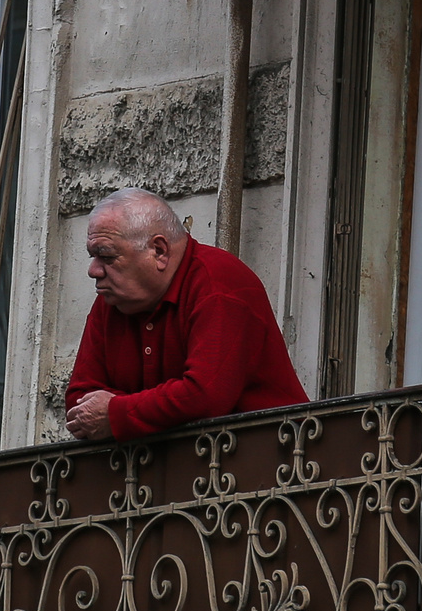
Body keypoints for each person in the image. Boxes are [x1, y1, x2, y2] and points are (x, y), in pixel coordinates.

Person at [64, 187, 307, 441]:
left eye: (106, 256)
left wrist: (116, 412)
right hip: (171, 471)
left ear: (159, 251)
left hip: (271, 463)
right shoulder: (114, 298)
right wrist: (146, 412)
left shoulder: (219, 284)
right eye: (93, 256)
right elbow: (79, 404)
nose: (93, 271)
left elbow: (205, 396)